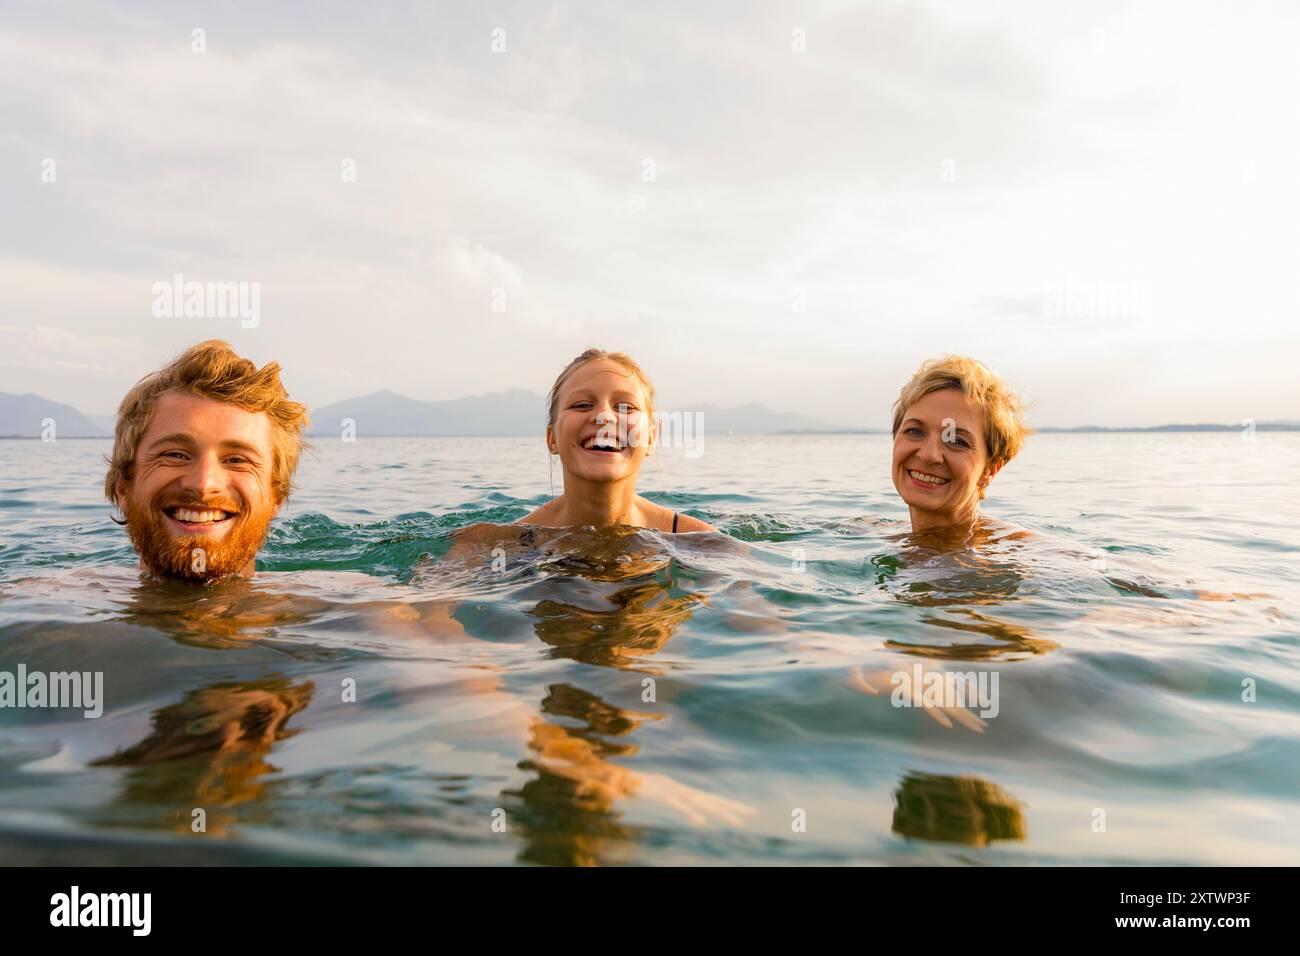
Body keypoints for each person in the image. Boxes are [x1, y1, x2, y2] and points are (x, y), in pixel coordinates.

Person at [105, 339, 309, 583]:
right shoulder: (54, 607)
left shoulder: (350, 611)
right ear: (123, 486)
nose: (203, 485)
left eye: (236, 460)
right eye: (175, 455)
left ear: (276, 495)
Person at [521, 348, 715, 532]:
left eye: (626, 407)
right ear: (552, 438)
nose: (604, 416)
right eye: (582, 405)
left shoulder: (701, 543)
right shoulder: (506, 544)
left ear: (650, 438)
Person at [889, 355, 1030, 537]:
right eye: (915, 431)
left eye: (957, 441)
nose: (929, 455)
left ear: (990, 469)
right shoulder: (873, 532)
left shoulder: (1018, 553)